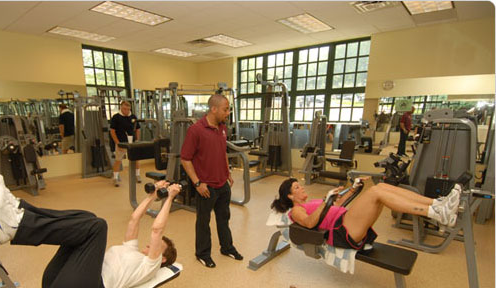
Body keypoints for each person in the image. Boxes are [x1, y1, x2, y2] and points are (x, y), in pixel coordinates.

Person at [0, 173, 178, 288]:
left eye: (156, 247)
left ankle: (19, 226)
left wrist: (169, 198)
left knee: (98, 227)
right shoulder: (131, 249)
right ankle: (20, 212)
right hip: (56, 286)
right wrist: (153, 196)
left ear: (162, 259)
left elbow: (156, 230)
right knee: (87, 217)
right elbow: (135, 219)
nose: (149, 245)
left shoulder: (150, 267)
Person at [271, 177, 461, 251]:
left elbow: (336, 205)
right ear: (290, 196)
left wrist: (353, 190)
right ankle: (435, 213)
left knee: (382, 187)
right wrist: (326, 201)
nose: (301, 187)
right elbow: (310, 223)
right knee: (376, 193)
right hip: (341, 231)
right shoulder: (296, 210)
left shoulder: (311, 202)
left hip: (346, 220)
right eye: (297, 187)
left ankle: (437, 204)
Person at [181, 94, 243, 268]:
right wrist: (197, 183)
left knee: (224, 219)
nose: (228, 112)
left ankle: (227, 247)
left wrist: (227, 171)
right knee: (203, 222)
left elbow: (222, 151)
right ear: (213, 109)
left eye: (228, 108)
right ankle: (202, 254)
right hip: (206, 187)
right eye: (225, 109)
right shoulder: (196, 130)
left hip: (222, 183)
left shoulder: (222, 127)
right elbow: (185, 159)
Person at [110, 101, 141, 187]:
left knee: (136, 160)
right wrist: (117, 143)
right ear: (121, 108)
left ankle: (137, 175)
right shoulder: (116, 117)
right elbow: (112, 131)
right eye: (124, 109)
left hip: (132, 142)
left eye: (128, 109)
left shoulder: (133, 117)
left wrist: (137, 140)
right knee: (118, 160)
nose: (126, 111)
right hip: (121, 142)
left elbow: (138, 129)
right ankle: (115, 178)